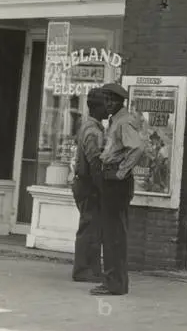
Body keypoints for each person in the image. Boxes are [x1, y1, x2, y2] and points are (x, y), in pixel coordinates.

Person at [91, 81, 145, 296]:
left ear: (115, 101)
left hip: (116, 181)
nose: (106, 105)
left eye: (108, 100)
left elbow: (138, 147)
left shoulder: (123, 122)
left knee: (114, 234)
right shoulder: (117, 120)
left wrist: (121, 172)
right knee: (112, 232)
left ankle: (114, 283)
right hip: (111, 177)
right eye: (105, 100)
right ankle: (114, 281)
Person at [72, 86, 107, 283]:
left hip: (85, 183)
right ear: (97, 108)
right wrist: (101, 186)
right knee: (89, 227)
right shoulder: (93, 132)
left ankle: (92, 269)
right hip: (88, 184)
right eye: (105, 104)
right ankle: (82, 269)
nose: (108, 108)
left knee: (94, 226)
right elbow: (94, 162)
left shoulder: (90, 127)